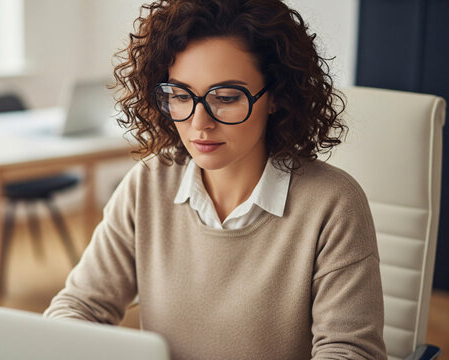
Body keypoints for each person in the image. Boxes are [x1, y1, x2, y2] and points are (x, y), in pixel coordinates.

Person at [44, 0, 387, 359]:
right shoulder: (147, 185)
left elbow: (350, 351)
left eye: (225, 97)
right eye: (179, 95)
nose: (199, 123)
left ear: (276, 97)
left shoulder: (331, 204)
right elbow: (79, 306)